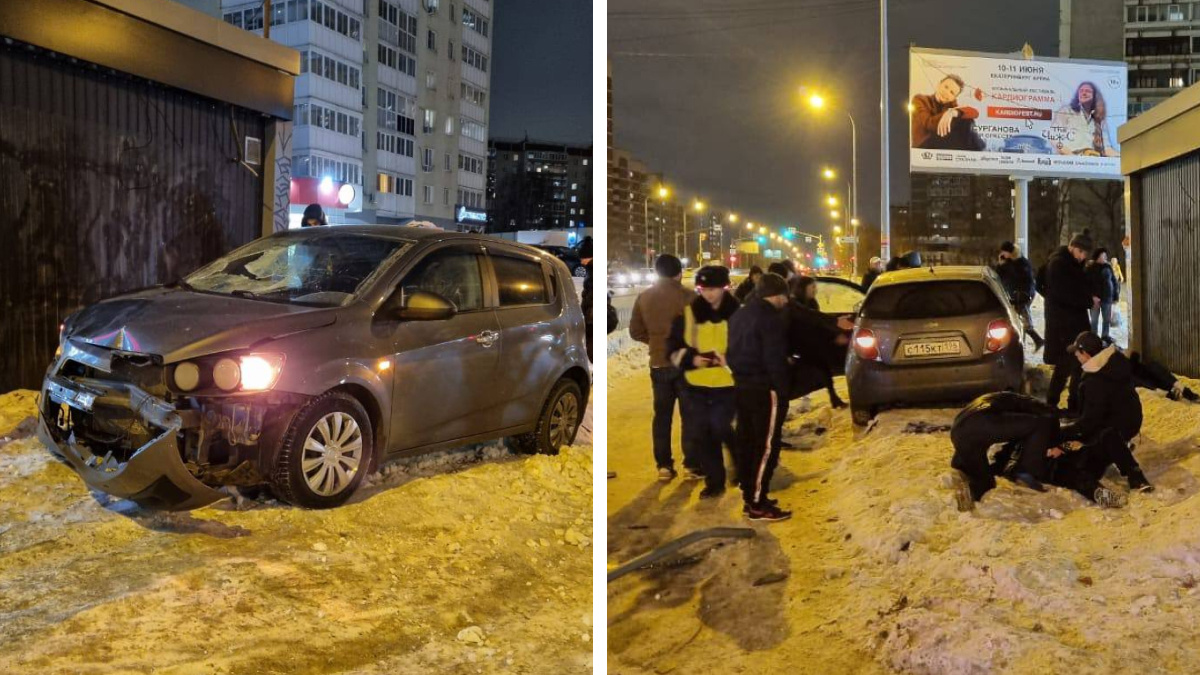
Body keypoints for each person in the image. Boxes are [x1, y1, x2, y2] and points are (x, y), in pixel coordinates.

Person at [1046, 331, 1152, 504]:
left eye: (1077, 353)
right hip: (1130, 421)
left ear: (1086, 354)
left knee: (1104, 438)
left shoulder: (1095, 381)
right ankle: (1116, 481)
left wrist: (1063, 436)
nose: (1075, 356)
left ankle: (1128, 477)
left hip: (1113, 428)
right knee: (1097, 448)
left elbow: (1089, 422)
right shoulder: (1114, 362)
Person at [667, 266, 740, 499]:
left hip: (727, 383)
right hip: (696, 384)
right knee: (703, 432)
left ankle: (740, 462)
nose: (708, 294)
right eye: (703, 289)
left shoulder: (738, 313)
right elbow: (673, 346)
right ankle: (714, 481)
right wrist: (691, 359)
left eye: (713, 289)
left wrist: (730, 358)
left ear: (724, 287)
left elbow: (749, 346)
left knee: (720, 426)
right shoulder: (689, 313)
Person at [727, 273, 792, 521]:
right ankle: (757, 504)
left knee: (747, 442)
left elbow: (730, 351)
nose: (786, 302)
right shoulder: (770, 319)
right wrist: (782, 389)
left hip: (741, 385)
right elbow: (773, 358)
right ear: (775, 295)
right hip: (764, 389)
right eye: (784, 296)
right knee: (766, 447)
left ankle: (751, 495)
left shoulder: (740, 315)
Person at [630, 255, 701, 481]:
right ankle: (691, 465)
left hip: (659, 364)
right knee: (690, 415)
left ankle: (663, 466)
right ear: (679, 273)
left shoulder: (644, 297)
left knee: (662, 416)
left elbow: (635, 331)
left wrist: (655, 343)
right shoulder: (690, 297)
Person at [948, 392, 1060, 511]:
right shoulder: (1024, 401)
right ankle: (1026, 474)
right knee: (1039, 424)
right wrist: (1054, 441)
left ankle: (966, 483)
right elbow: (1047, 415)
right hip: (983, 422)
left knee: (985, 482)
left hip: (958, 430)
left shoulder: (989, 398)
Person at [1042, 232, 1096, 412]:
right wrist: (1089, 301)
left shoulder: (1065, 262)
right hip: (1066, 326)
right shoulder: (1060, 265)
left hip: (1068, 324)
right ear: (1072, 247)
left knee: (1069, 366)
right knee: (1072, 366)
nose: (1083, 257)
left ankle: (1057, 404)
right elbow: (1067, 294)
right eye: (1081, 252)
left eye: (1085, 253)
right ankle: (1069, 405)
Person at [786, 275, 854, 408]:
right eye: (812, 287)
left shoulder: (811, 303)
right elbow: (812, 317)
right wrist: (835, 323)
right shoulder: (794, 304)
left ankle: (833, 397)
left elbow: (819, 324)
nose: (815, 290)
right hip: (796, 346)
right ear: (803, 288)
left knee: (824, 369)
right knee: (808, 374)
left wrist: (834, 335)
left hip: (811, 344)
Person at [911, 74, 985, 151]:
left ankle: (977, 152)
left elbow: (975, 113)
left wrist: (952, 112)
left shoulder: (951, 105)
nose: (946, 92)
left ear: (954, 98)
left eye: (952, 92)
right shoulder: (920, 99)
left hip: (942, 141)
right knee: (963, 122)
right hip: (924, 145)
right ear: (939, 84)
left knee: (967, 121)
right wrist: (949, 113)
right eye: (946, 87)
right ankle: (979, 151)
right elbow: (929, 124)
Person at [995, 241, 1044, 351]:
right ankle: (1032, 341)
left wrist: (1006, 265)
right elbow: (999, 275)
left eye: (1004, 252)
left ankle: (1032, 341)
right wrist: (1000, 264)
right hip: (1013, 294)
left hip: (1023, 294)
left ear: (1009, 252)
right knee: (1018, 319)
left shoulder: (1020, 262)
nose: (1002, 254)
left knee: (1021, 319)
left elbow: (1021, 277)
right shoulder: (1007, 262)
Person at [1052, 82, 1118, 157]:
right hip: (1068, 160)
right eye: (1081, 91)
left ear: (1095, 96)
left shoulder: (1099, 120)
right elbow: (1054, 139)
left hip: (1092, 161)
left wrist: (1123, 157)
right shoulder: (1066, 111)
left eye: (1088, 91)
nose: (1084, 93)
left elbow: (1106, 149)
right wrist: (1072, 158)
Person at [1086, 247, 1119, 340]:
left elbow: (1114, 281)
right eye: (1103, 255)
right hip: (1095, 300)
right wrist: (1091, 296)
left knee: (1107, 320)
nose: (1105, 257)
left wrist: (1116, 296)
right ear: (1097, 257)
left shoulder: (1108, 267)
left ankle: (1105, 336)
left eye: (1105, 255)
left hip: (1107, 298)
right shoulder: (1090, 268)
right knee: (1094, 320)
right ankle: (1093, 338)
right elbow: (1085, 284)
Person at [578, 237, 594, 361]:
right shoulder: (590, 269)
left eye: (583, 258)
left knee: (592, 348)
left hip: (591, 318)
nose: (581, 261)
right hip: (589, 315)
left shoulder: (593, 271)